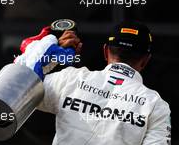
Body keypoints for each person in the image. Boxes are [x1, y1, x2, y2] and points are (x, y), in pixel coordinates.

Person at [31, 21, 171, 145]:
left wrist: (52, 56)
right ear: (146, 60)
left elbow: (18, 90)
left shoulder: (70, 78)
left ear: (105, 51)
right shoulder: (156, 105)